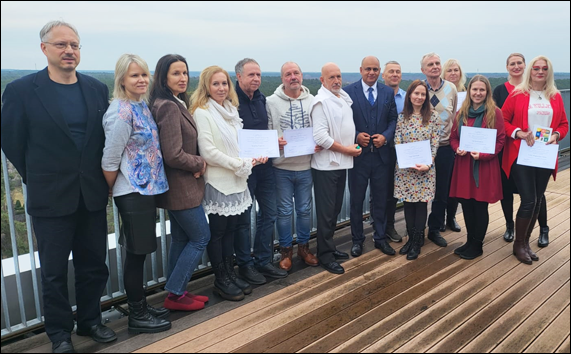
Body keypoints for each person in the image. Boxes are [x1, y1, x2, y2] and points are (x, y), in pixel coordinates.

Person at [0, 20, 116, 353]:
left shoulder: (95, 89)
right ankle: (59, 334)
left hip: (91, 194)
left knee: (94, 263)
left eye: (75, 45)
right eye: (62, 45)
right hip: (50, 197)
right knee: (53, 272)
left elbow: (101, 141)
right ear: (44, 49)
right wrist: (37, 175)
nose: (69, 51)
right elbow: (12, 142)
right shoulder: (22, 91)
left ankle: (91, 321)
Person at [102, 54, 172, 334]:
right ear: (122, 79)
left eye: (144, 74)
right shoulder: (120, 113)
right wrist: (112, 187)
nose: (141, 80)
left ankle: (140, 304)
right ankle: (137, 314)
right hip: (131, 191)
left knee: (140, 252)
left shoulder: (140, 105)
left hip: (145, 190)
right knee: (136, 253)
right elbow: (110, 159)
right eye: (134, 76)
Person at [193, 65, 262, 300]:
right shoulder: (202, 112)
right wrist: (239, 164)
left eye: (224, 83)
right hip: (219, 182)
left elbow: (241, 143)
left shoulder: (231, 110)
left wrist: (254, 157)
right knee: (218, 232)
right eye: (215, 84)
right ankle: (220, 278)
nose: (221, 88)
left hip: (238, 180)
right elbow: (208, 151)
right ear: (206, 87)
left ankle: (231, 273)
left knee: (232, 229)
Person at [149, 55, 212, 310]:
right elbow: (172, 154)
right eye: (176, 73)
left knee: (180, 239)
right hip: (180, 188)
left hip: (179, 188)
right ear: (163, 78)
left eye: (185, 73)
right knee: (200, 237)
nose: (182, 78)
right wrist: (200, 163)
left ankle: (176, 294)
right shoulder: (167, 106)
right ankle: (175, 291)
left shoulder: (176, 102)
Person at [502, 55, 568, 265]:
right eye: (536, 68)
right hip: (522, 153)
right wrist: (519, 132)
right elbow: (503, 120)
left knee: (538, 199)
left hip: (545, 154)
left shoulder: (555, 96)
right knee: (529, 199)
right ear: (530, 70)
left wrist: (557, 135)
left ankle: (525, 244)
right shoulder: (518, 94)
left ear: (549, 72)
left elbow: (564, 124)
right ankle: (518, 245)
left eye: (544, 69)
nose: (540, 71)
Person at [234, 58, 287, 285]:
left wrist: (276, 143)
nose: (256, 79)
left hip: (265, 167)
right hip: (244, 170)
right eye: (251, 75)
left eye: (259, 75)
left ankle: (263, 260)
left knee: (270, 213)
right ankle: (245, 265)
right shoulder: (231, 102)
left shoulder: (261, 99)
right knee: (243, 220)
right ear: (239, 77)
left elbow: (264, 133)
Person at [266, 61, 320, 271]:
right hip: (282, 167)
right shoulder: (271, 102)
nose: (293, 77)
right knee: (285, 211)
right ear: (282, 79)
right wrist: (274, 142)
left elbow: (319, 129)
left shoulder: (313, 101)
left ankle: (304, 249)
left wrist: (317, 143)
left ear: (302, 76)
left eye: (296, 73)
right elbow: (267, 132)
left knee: (305, 210)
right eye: (288, 74)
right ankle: (286, 251)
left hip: (305, 166)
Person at [493, 53, 550, 247]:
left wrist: (556, 134)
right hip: (511, 148)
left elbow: (561, 123)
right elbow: (499, 118)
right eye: (512, 64)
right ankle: (511, 227)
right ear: (507, 67)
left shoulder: (546, 93)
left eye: (520, 63)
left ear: (525, 66)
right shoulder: (502, 91)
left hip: (538, 149)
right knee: (508, 191)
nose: (516, 66)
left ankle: (543, 228)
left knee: (535, 194)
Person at [343, 56, 397, 258]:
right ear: (360, 70)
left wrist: (386, 136)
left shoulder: (386, 92)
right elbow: (344, 122)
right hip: (358, 158)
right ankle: (357, 240)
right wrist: (355, 135)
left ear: (379, 70)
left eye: (375, 69)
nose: (371, 72)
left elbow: (393, 119)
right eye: (368, 69)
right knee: (356, 201)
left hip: (382, 157)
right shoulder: (348, 93)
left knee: (381, 200)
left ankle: (380, 238)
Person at [311, 62, 362, 274]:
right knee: (326, 213)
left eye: (339, 76)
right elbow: (320, 136)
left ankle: (329, 248)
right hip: (327, 166)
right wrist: (346, 150)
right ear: (322, 80)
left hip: (341, 163)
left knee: (335, 209)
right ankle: (325, 255)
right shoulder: (321, 102)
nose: (336, 80)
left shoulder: (341, 98)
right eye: (331, 77)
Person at [449, 75, 506, 259]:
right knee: (466, 204)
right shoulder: (462, 112)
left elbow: (500, 140)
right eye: (475, 89)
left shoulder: (494, 112)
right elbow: (454, 137)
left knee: (480, 206)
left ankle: (478, 245)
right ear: (469, 91)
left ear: (487, 92)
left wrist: (483, 155)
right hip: (464, 164)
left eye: (482, 90)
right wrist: (457, 148)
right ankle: (469, 241)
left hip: (484, 166)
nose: (478, 93)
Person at [393, 80, 440, 260]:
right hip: (406, 168)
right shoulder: (402, 117)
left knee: (421, 204)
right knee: (408, 204)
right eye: (416, 93)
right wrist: (406, 161)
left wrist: (428, 163)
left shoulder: (433, 117)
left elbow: (435, 142)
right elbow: (398, 141)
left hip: (425, 168)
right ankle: (411, 238)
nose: (419, 97)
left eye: (423, 94)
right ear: (410, 95)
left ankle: (417, 240)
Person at [421, 53, 458, 248]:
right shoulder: (418, 89)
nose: (434, 67)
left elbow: (454, 116)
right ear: (423, 70)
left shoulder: (451, 88)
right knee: (420, 191)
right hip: (423, 149)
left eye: (437, 63)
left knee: (442, 191)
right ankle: (417, 230)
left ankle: (434, 229)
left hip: (444, 147)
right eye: (430, 64)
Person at [440, 58, 467, 233]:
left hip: (464, 144)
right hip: (445, 143)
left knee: (455, 185)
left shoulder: (467, 92)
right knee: (443, 183)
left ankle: (451, 217)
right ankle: (439, 218)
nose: (453, 73)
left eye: (456, 70)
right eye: (449, 70)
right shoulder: (442, 92)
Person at [381, 60, 407, 243]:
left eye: (398, 71)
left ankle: (389, 226)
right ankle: (379, 226)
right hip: (382, 149)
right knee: (380, 189)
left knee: (394, 191)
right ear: (384, 75)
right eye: (391, 71)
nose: (394, 74)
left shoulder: (408, 98)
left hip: (404, 150)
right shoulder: (378, 96)